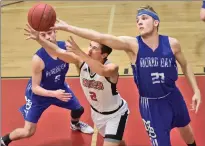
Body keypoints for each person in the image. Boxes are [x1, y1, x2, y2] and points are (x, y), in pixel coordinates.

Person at [49, 5, 201, 146]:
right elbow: (100, 37)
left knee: (185, 128)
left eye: (144, 18)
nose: (139, 22)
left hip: (173, 96)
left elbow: (185, 65)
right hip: (151, 104)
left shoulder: (172, 43)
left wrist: (196, 90)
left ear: (156, 22)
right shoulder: (133, 45)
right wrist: (68, 28)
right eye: (137, 20)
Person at [21, 24, 130, 146]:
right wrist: (39, 39)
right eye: (89, 46)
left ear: (104, 55)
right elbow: (57, 51)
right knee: (118, 142)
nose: (89, 50)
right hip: (97, 114)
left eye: (94, 48)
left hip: (115, 115)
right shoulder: (81, 63)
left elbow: (102, 71)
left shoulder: (112, 68)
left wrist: (80, 54)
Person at [1, 29, 94, 146]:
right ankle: (4, 140)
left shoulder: (65, 47)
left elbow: (79, 57)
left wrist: (90, 51)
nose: (48, 37)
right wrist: (54, 94)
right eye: (43, 35)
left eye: (50, 33)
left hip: (59, 87)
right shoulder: (38, 59)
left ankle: (75, 124)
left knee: (78, 109)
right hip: (39, 96)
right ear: (39, 38)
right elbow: (35, 88)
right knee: (28, 131)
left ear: (55, 32)